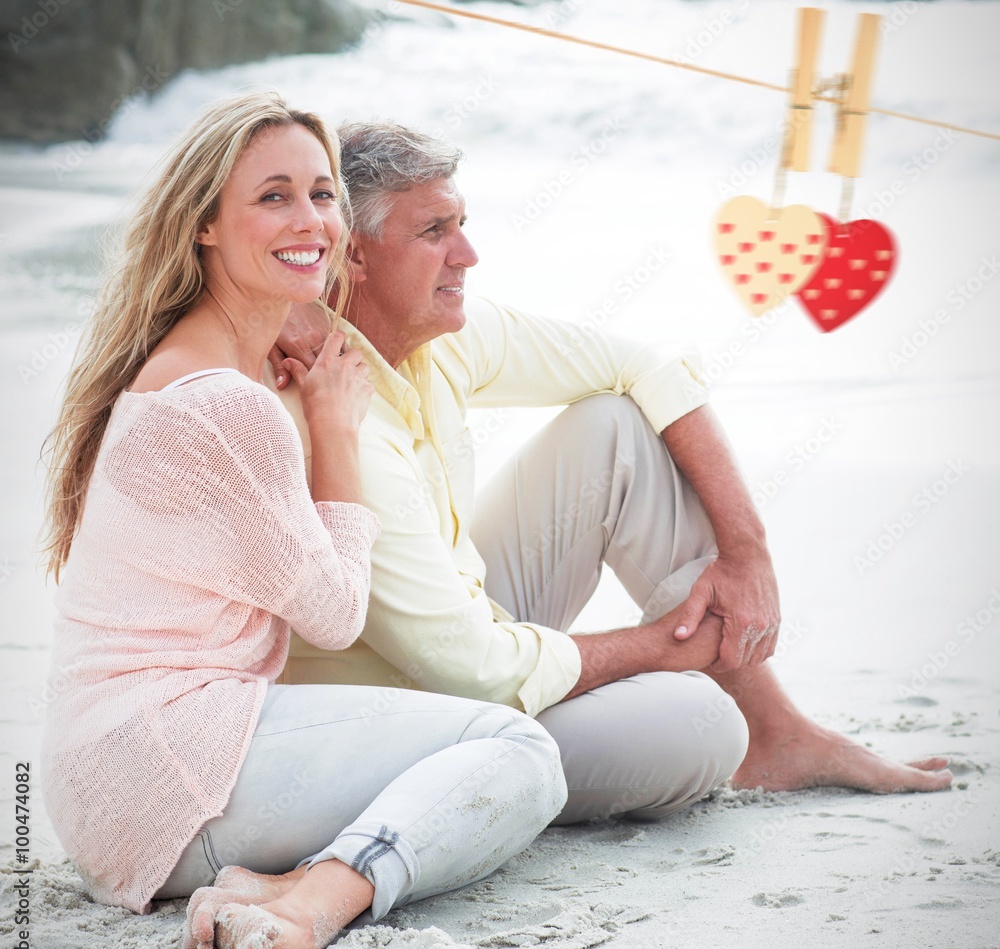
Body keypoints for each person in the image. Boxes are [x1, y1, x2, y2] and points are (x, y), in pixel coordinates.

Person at [269, 121, 952, 824]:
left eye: (463, 222)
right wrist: (667, 648)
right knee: (702, 728)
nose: (469, 254)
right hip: (414, 721)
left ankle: (781, 735)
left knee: (615, 426)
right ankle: (538, 778)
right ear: (352, 255)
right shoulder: (330, 403)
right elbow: (470, 669)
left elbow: (645, 366)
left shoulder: (431, 337)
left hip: (464, 636)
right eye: (435, 231)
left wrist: (750, 553)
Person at [38, 95, 567, 949]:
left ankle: (269, 879)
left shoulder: (187, 366)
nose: (312, 221)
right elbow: (333, 613)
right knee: (521, 753)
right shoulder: (228, 402)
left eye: (323, 195)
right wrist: (335, 425)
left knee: (491, 750)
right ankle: (314, 903)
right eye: (274, 197)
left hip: (123, 783)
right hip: (169, 778)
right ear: (204, 224)